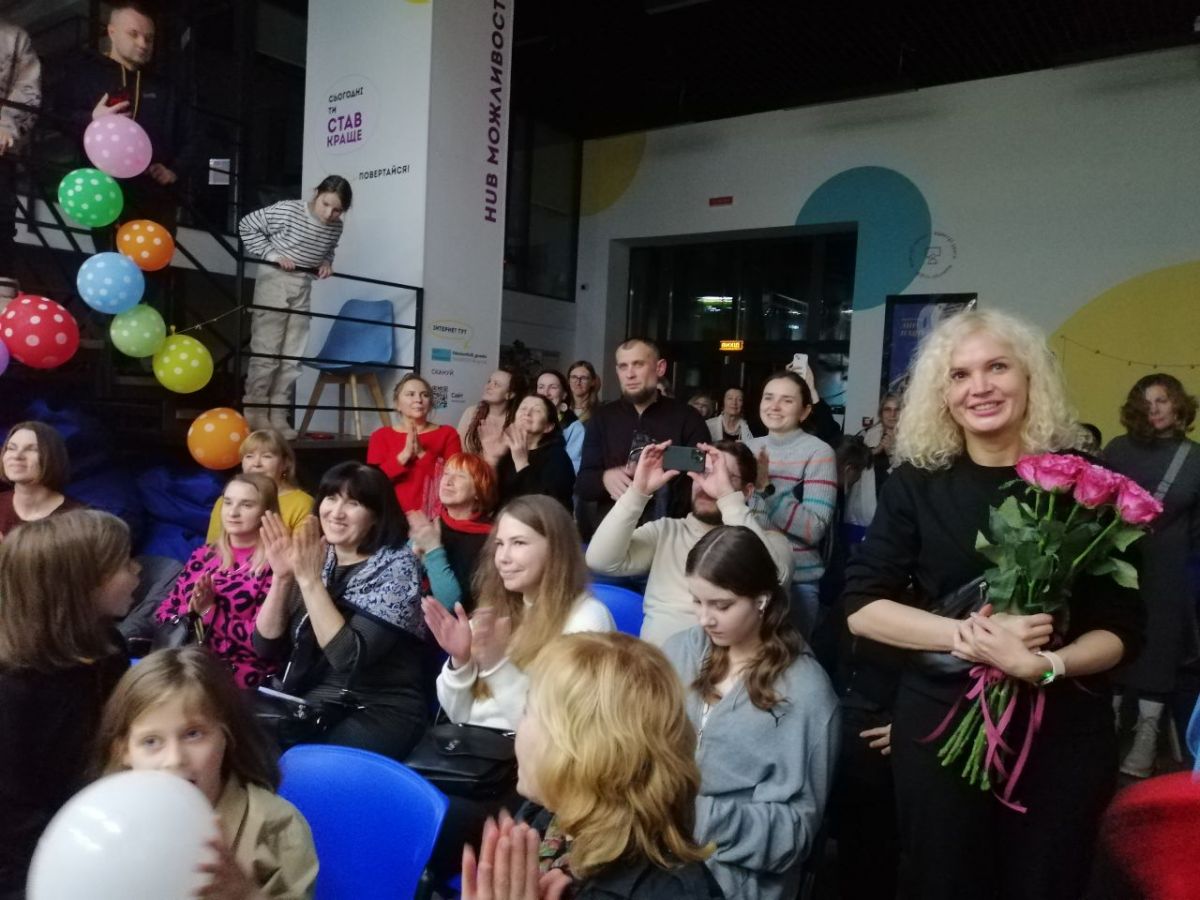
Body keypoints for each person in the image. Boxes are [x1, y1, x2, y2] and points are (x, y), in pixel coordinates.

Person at [843, 309, 1144, 900]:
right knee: (944, 883)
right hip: (941, 730)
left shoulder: (1089, 484)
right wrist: (970, 639)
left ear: (1030, 377)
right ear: (943, 395)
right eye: (959, 375)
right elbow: (862, 604)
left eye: (997, 367)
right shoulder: (917, 483)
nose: (979, 387)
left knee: (1046, 882)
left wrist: (1045, 665)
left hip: (1062, 734)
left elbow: (1124, 630)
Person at [422, 495, 614, 877]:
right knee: (387, 803)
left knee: (423, 824)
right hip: (474, 760)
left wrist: (495, 667)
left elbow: (554, 735)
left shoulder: (587, 620)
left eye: (519, 543)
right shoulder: (498, 608)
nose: (503, 557)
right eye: (500, 544)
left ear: (556, 549)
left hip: (531, 780)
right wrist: (460, 662)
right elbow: (459, 714)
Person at [462, 632, 724, 900]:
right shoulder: (550, 818)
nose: (519, 724)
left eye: (528, 709)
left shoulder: (669, 893)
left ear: (575, 752)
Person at [664, 526, 838, 900]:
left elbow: (795, 833)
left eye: (721, 605)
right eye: (697, 601)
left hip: (735, 880)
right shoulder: (680, 651)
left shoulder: (805, 694)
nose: (704, 619)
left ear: (761, 600)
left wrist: (695, 816)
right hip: (660, 854)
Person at [97, 647, 319, 899]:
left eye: (193, 734)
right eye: (151, 741)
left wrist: (246, 894)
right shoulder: (107, 824)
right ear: (123, 751)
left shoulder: (276, 826)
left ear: (225, 734)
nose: (175, 759)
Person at [0, 510, 136, 896]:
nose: (138, 569)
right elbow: (11, 815)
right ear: (82, 583)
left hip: (105, 829)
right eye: (124, 563)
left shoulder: (109, 650)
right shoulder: (13, 689)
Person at [253, 462, 429, 759]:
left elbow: (347, 656)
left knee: (309, 764)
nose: (336, 512)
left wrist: (309, 581)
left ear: (376, 516)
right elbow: (265, 646)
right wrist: (282, 578)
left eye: (353, 503)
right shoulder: (319, 554)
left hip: (379, 707)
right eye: (331, 498)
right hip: (313, 700)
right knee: (241, 747)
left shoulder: (397, 566)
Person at [586, 439, 792, 646]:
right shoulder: (666, 531)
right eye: (703, 472)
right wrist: (637, 493)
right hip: (660, 662)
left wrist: (727, 498)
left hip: (729, 663)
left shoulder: (771, 541)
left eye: (723, 476)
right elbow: (599, 560)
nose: (707, 484)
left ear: (747, 492)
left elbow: (775, 580)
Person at [1105, 374, 1200, 778]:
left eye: (1163, 400)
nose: (1154, 408)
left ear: (1179, 404)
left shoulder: (1194, 458)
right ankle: (1103, 732)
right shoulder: (1117, 450)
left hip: (1169, 570)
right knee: (1110, 640)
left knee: (1159, 649)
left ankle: (1146, 738)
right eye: (1146, 402)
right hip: (1115, 564)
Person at [53, 2, 192, 239]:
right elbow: (56, 116)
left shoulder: (166, 89)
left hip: (153, 196)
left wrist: (175, 170)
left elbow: (193, 135)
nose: (143, 44)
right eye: (133, 34)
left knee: (152, 261)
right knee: (107, 257)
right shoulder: (86, 75)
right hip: (100, 192)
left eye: (149, 38)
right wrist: (92, 119)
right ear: (112, 32)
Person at [238, 176, 352, 437]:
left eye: (337, 210)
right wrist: (273, 255)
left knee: (292, 354)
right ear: (317, 193)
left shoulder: (336, 226)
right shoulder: (289, 210)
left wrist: (326, 263)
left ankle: (279, 414)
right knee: (267, 350)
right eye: (325, 204)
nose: (329, 214)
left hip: (303, 284)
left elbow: (328, 249)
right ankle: (255, 411)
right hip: (274, 280)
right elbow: (247, 225)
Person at [157, 473, 285, 689]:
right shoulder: (203, 555)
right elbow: (163, 613)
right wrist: (192, 612)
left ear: (266, 512)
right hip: (184, 665)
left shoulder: (275, 565)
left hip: (236, 678)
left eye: (246, 505)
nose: (233, 512)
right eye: (228, 502)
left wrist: (210, 613)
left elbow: (261, 644)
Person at [576, 338, 709, 538]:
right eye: (623, 366)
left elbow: (702, 468)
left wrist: (657, 462)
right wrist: (604, 478)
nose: (630, 374)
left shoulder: (688, 417)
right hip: (611, 536)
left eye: (638, 364)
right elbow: (583, 484)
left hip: (672, 535)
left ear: (660, 368)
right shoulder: (603, 418)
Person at [745, 371, 838, 638]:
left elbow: (814, 529)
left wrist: (767, 489)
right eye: (768, 398)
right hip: (748, 577)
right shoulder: (748, 447)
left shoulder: (818, 452)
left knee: (789, 660)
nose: (774, 406)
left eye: (787, 400)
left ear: (805, 411)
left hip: (797, 583)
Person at [408, 452, 497, 613]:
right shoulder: (430, 526)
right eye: (446, 473)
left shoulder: (491, 539)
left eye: (460, 476)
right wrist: (413, 554)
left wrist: (432, 550)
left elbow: (453, 606)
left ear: (479, 491)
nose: (448, 481)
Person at [367, 373, 462, 515]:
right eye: (410, 394)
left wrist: (421, 453)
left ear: (430, 403)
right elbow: (371, 483)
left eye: (424, 395)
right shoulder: (380, 436)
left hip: (436, 516)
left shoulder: (448, 433)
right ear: (397, 404)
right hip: (391, 515)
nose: (418, 399)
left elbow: (456, 480)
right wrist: (404, 455)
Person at [206, 428, 313, 543]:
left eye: (266, 456)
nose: (256, 464)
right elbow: (212, 547)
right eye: (249, 456)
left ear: (286, 463)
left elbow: (305, 551)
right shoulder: (227, 500)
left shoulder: (302, 503)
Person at [0, 21, 40, 305]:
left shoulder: (14, 37)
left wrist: (5, 125)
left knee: (2, 226)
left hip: (1, 154)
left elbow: (28, 90)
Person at [0, 420, 83, 538]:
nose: (17, 456)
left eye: (32, 449)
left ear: (53, 458)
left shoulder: (78, 520)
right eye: (11, 448)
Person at [497, 394, 576, 512]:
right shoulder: (506, 451)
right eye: (523, 408)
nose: (527, 413)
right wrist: (492, 458)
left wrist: (521, 462)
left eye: (537, 410)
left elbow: (546, 507)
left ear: (548, 427)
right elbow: (492, 499)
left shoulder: (558, 457)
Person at [845, 392, 901, 527]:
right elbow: (848, 463)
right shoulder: (866, 435)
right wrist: (873, 451)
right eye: (887, 409)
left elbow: (911, 478)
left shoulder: (913, 439)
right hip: (864, 508)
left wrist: (891, 453)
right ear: (881, 413)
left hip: (895, 508)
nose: (892, 414)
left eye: (897, 409)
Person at [458, 367, 528, 468]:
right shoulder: (471, 412)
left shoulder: (517, 422)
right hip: (469, 472)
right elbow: (459, 450)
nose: (488, 386)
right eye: (489, 381)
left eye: (496, 384)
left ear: (510, 394)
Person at [536, 369, 585, 472]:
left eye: (553, 387)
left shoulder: (574, 427)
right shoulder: (525, 420)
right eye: (541, 387)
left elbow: (573, 468)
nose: (546, 393)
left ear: (564, 394)